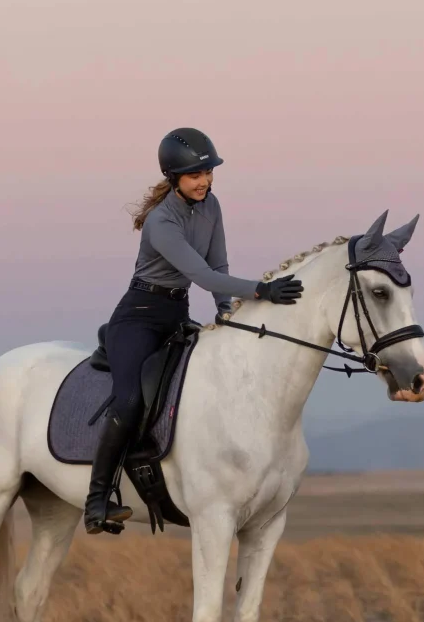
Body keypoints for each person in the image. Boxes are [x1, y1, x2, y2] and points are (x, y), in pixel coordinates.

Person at [84, 127, 304, 535]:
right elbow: (200, 274)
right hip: (138, 317)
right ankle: (97, 500)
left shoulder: (212, 205)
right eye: (195, 175)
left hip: (175, 315)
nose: (204, 180)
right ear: (174, 178)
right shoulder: (160, 221)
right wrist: (262, 290)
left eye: (208, 172)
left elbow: (218, 265)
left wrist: (227, 312)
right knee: (130, 399)